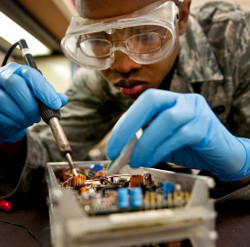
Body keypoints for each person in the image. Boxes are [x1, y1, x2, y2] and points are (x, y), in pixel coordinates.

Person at [0, 0, 249, 204]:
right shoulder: (95, 83)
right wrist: (9, 140)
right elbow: (43, 165)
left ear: (181, 17)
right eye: (97, 40)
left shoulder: (238, 38)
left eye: (147, 35)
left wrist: (244, 164)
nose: (123, 65)